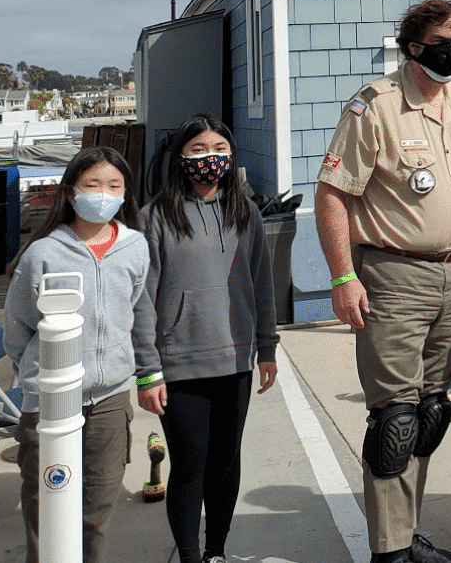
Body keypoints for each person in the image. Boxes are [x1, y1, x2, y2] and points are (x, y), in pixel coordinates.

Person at [315, 0, 451, 563]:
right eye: (442, 43)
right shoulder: (376, 107)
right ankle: (389, 553)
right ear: (414, 46)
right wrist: (343, 277)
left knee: (431, 410)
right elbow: (334, 194)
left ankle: (406, 534)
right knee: (394, 417)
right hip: (393, 274)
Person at [132, 114, 278, 563]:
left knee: (225, 465)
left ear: (231, 157)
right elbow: (140, 300)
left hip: (235, 359)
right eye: (197, 150)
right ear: (179, 158)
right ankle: (190, 555)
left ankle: (216, 551)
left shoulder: (245, 212)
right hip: (178, 364)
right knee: (190, 467)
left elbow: (261, 281)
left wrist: (267, 346)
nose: (209, 159)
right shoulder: (153, 217)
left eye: (218, 149)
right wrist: (147, 372)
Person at [5, 147, 148, 563]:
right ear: (70, 193)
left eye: (114, 185)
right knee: (45, 509)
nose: (103, 194)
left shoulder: (136, 247)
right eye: (92, 185)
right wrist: (39, 378)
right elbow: (18, 328)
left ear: (125, 193)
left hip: (110, 399)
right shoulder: (42, 254)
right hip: (50, 401)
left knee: (97, 509)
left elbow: (133, 310)